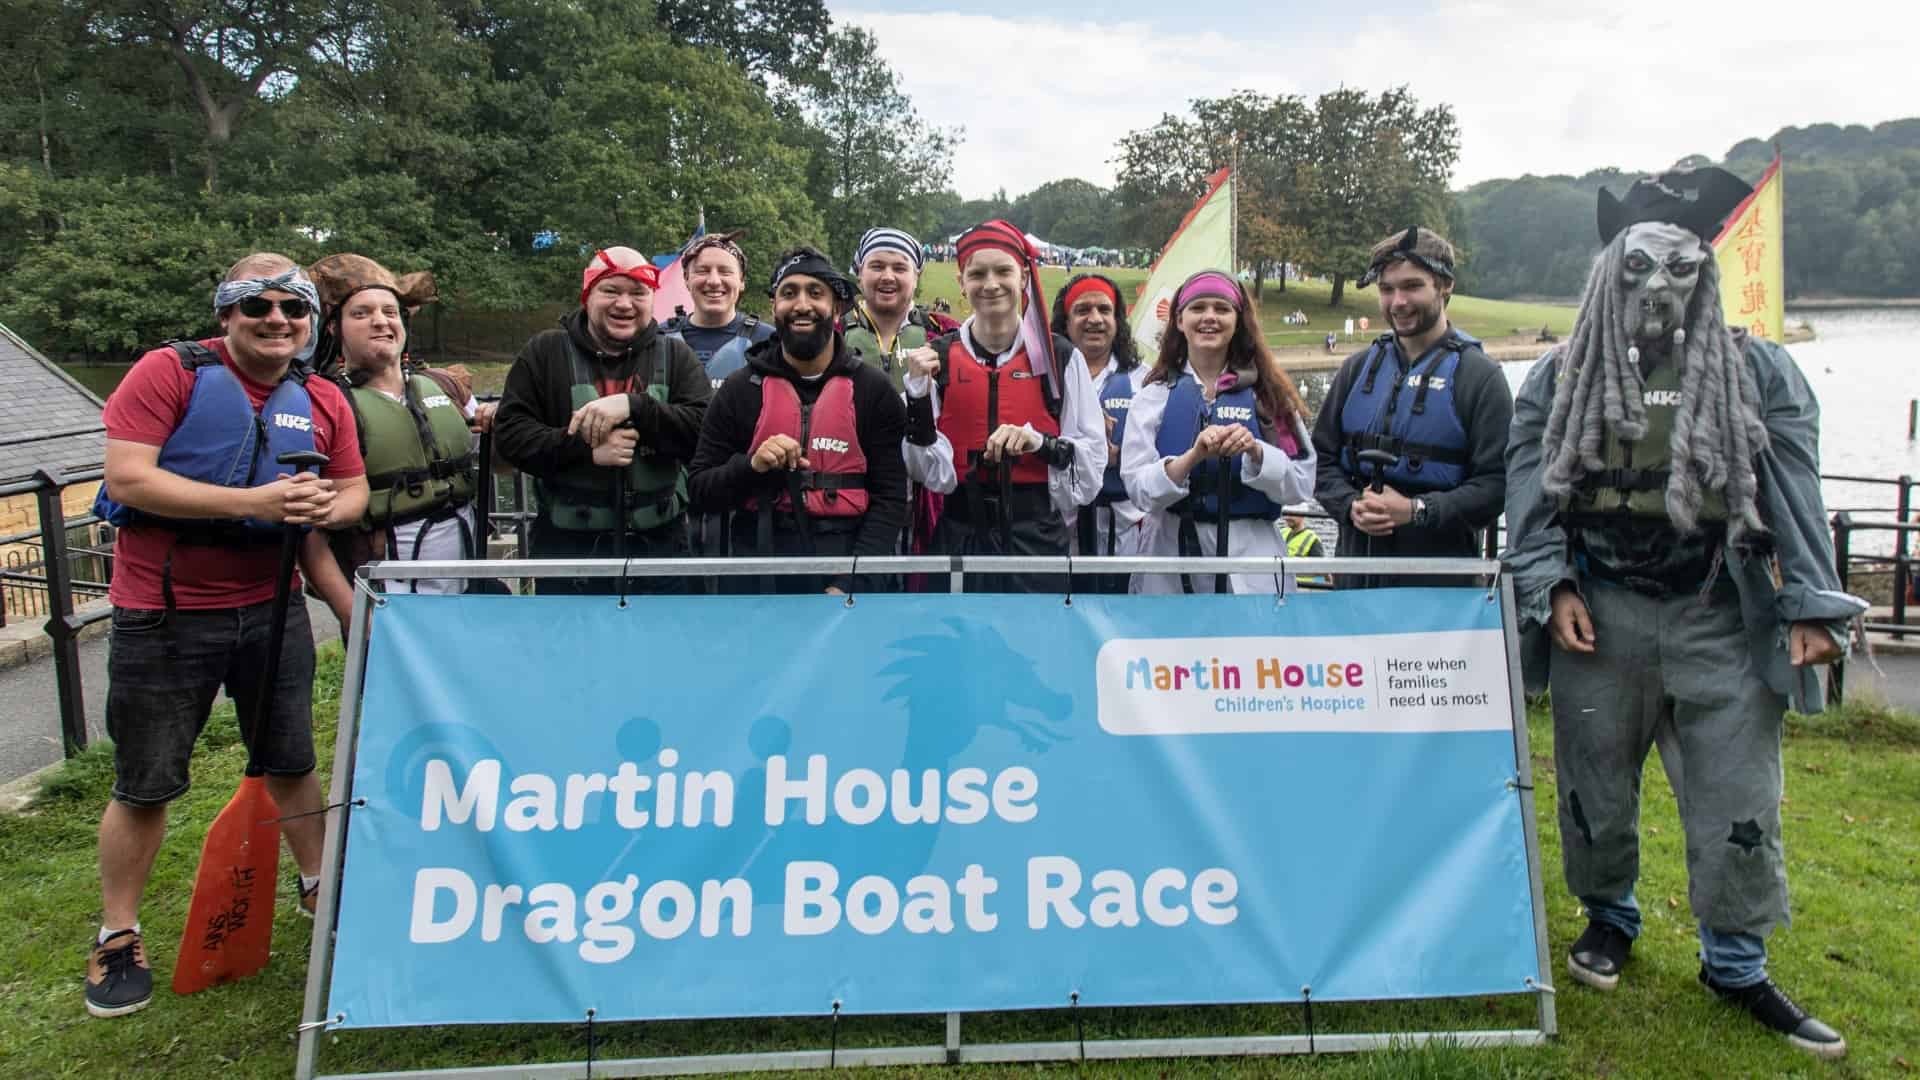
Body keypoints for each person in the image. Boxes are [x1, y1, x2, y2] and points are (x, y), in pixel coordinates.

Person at [1504, 166, 1866, 1059]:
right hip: (1602, 611)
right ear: (1606, 277)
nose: (1656, 287)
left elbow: (1795, 490)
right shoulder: (1559, 378)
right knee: (1593, 784)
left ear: (1703, 273)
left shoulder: (1758, 371)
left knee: (1739, 794)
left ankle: (1736, 962)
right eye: (1636, 270)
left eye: (1676, 269)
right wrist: (1550, 586)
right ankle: (1609, 918)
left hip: (1719, 611)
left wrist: (1811, 607)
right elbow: (1529, 494)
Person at [85, 253, 369, 1018]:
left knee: (291, 759)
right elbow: (128, 479)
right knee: (146, 781)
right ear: (227, 316)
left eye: (294, 310)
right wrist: (253, 500)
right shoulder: (167, 372)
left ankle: (319, 892)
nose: (277, 321)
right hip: (164, 610)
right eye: (259, 307)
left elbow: (353, 491)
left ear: (311, 321)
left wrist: (320, 511)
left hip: (272, 606)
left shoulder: (320, 397)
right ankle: (117, 933)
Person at [899, 219, 1105, 592]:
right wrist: (915, 397)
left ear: (1024, 276)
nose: (991, 284)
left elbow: (1090, 467)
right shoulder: (938, 359)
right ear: (961, 282)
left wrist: (1038, 443)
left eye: (1003, 271)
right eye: (977, 273)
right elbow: (928, 472)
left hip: (1036, 540)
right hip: (959, 535)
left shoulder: (1059, 358)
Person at [687, 247, 909, 593]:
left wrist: (853, 583)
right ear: (774, 306)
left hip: (847, 577)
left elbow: (892, 499)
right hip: (757, 580)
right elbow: (699, 490)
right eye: (789, 293)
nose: (802, 305)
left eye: (815, 293)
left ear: (836, 307)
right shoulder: (740, 388)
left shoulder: (872, 390)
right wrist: (751, 466)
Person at [494, 247, 710, 594]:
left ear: (652, 299)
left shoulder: (676, 356)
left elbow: (703, 433)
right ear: (588, 295)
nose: (624, 304)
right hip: (567, 556)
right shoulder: (544, 353)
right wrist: (584, 447)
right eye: (610, 290)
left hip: (661, 552)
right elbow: (511, 436)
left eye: (637, 293)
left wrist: (635, 406)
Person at [1311, 227, 1512, 587]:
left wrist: (1417, 511)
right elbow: (1320, 461)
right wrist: (1349, 504)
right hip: (1356, 580)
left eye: (1412, 286)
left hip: (1440, 590)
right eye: (1387, 290)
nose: (1398, 302)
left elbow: (1497, 484)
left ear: (1445, 285)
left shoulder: (1480, 377)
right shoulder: (1356, 369)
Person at [299, 255, 483, 621]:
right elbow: (308, 532)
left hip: (467, 586)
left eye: (390, 311)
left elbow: (499, 463)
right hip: (384, 596)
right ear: (333, 327)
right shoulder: (320, 403)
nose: (380, 321)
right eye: (361, 313)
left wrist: (501, 425)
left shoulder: (446, 387)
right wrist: (351, 612)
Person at [1121, 270, 1315, 594]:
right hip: (1170, 558)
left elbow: (1302, 483)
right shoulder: (1152, 396)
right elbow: (1138, 489)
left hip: (1251, 563)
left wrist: (1256, 452)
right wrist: (1191, 458)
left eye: (1221, 309)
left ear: (1238, 321)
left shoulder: (1269, 396)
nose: (1209, 317)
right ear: (1179, 320)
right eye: (1198, 308)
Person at [1050, 273, 1144, 592]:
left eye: (1104, 310)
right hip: (1062, 526)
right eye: (1082, 310)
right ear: (1065, 321)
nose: (1094, 319)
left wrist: (1119, 454)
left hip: (1126, 527)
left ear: (1117, 320)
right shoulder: (1043, 380)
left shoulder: (1146, 381)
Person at [662, 231, 776, 388]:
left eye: (725, 271)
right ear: (686, 279)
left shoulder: (769, 341)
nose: (714, 281)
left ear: (741, 280)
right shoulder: (659, 339)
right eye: (702, 271)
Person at [840, 226, 948, 391]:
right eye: (877, 266)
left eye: (899, 268)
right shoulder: (833, 333)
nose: (888, 277)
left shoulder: (943, 332)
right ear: (860, 272)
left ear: (916, 277)